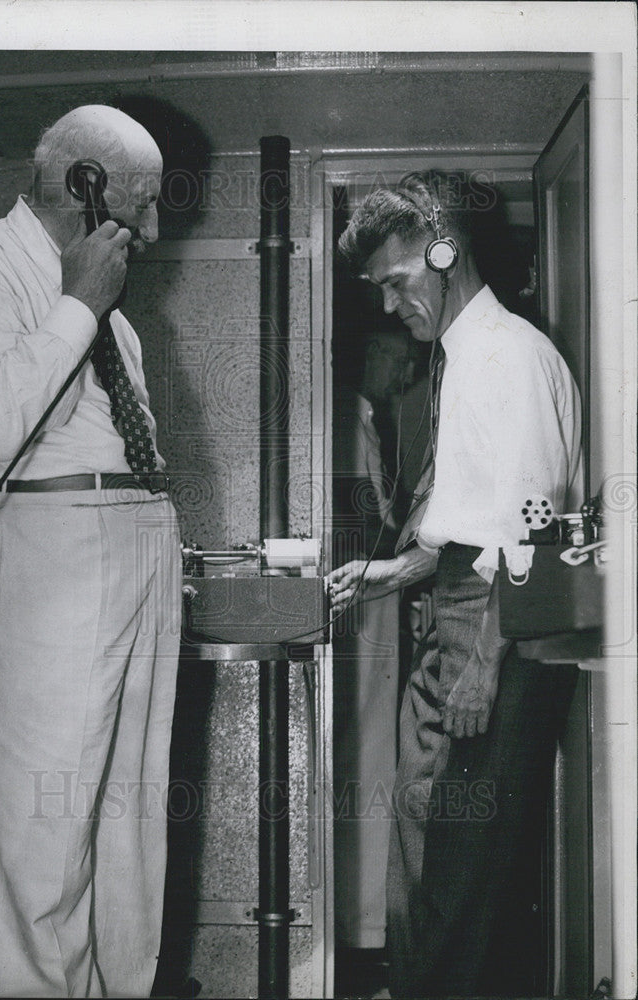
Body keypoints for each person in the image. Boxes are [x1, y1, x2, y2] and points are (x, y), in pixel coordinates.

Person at [0, 105, 182, 998]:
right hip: (46, 551)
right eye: (137, 204)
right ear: (82, 185)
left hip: (131, 539)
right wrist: (76, 303)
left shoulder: (108, 311)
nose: (150, 227)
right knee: (43, 826)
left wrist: (86, 304)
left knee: (127, 823)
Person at [327, 171, 582, 998]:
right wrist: (395, 569)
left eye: (398, 283)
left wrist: (481, 663)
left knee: (453, 868)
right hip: (469, 612)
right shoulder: (468, 355)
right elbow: (478, 511)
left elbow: (530, 529)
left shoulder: (503, 356)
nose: (392, 306)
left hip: (489, 627)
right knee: (437, 850)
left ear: (445, 251)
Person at [331, 330, 413, 976]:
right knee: (363, 755)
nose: (405, 364)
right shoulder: (340, 413)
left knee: (372, 755)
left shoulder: (363, 415)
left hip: (375, 597)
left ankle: (367, 925)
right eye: (394, 353)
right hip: (361, 602)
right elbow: (358, 520)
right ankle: (358, 932)